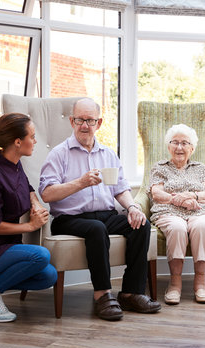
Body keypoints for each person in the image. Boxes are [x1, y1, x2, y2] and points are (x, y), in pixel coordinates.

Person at [39, 98, 160, 321]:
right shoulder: (59, 154)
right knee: (95, 228)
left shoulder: (108, 154)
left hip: (106, 215)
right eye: (79, 120)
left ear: (99, 123)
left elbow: (121, 189)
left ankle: (131, 292)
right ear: (71, 121)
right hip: (69, 218)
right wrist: (80, 183)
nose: (84, 125)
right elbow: (47, 193)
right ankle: (102, 294)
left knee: (140, 223)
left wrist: (133, 207)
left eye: (90, 120)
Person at [0, 113, 58, 323]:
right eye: (32, 136)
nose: (35, 140)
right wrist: (30, 226)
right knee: (40, 256)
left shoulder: (15, 165)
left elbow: (28, 188)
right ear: (18, 142)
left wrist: (36, 205)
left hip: (8, 248)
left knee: (49, 275)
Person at [149, 124, 205, 305]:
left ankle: (200, 283)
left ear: (192, 148)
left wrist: (192, 196)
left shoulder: (200, 168)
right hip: (168, 211)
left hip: (198, 210)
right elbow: (157, 194)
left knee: (201, 226)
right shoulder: (160, 167)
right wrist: (179, 200)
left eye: (184, 143)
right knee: (178, 227)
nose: (179, 147)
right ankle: (175, 284)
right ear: (168, 146)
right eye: (175, 143)